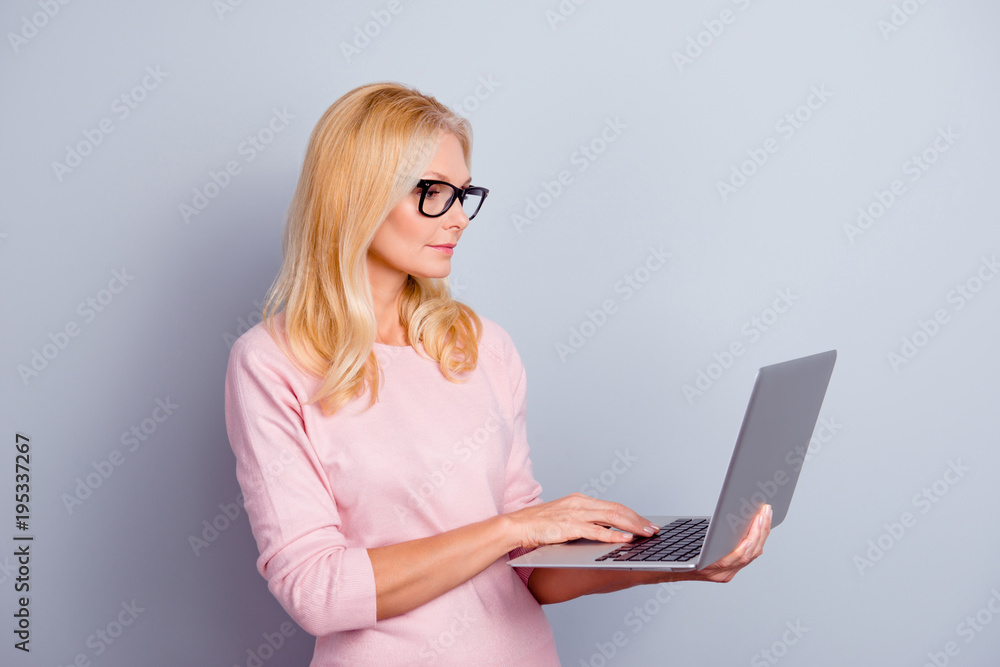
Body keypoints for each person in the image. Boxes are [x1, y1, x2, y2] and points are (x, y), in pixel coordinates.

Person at [224, 81, 772, 666]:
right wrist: (514, 527)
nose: (458, 217)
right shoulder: (271, 362)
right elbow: (320, 593)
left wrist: (671, 567)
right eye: (433, 192)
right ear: (354, 194)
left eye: (464, 194)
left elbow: (531, 573)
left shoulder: (482, 346)